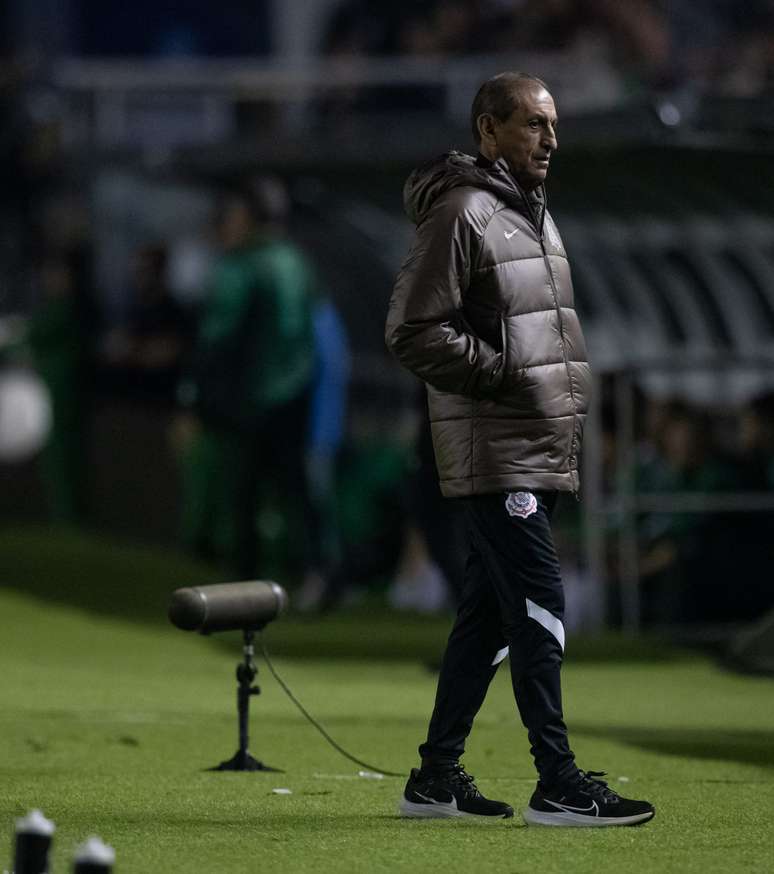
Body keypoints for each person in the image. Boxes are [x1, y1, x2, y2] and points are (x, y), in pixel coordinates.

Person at [385, 72, 655, 826]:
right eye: (534, 124)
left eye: (553, 125)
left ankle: (433, 779)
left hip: (533, 448)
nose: (551, 138)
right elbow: (411, 329)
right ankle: (557, 781)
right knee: (541, 603)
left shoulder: (531, 215)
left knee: (489, 619)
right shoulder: (463, 212)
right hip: (498, 452)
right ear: (487, 130)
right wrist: (500, 373)